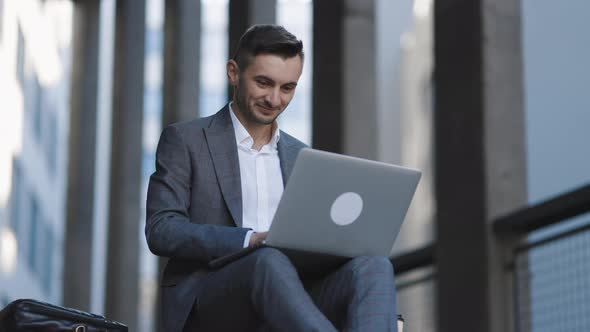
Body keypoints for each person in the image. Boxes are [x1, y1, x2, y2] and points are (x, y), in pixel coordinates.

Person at [146, 24, 398, 332]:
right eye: (264, 83)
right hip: (212, 295)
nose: (275, 99)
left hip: (293, 292)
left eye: (287, 88)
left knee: (373, 266)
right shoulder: (186, 140)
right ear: (234, 72)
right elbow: (161, 230)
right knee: (266, 260)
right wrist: (250, 240)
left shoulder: (304, 157)